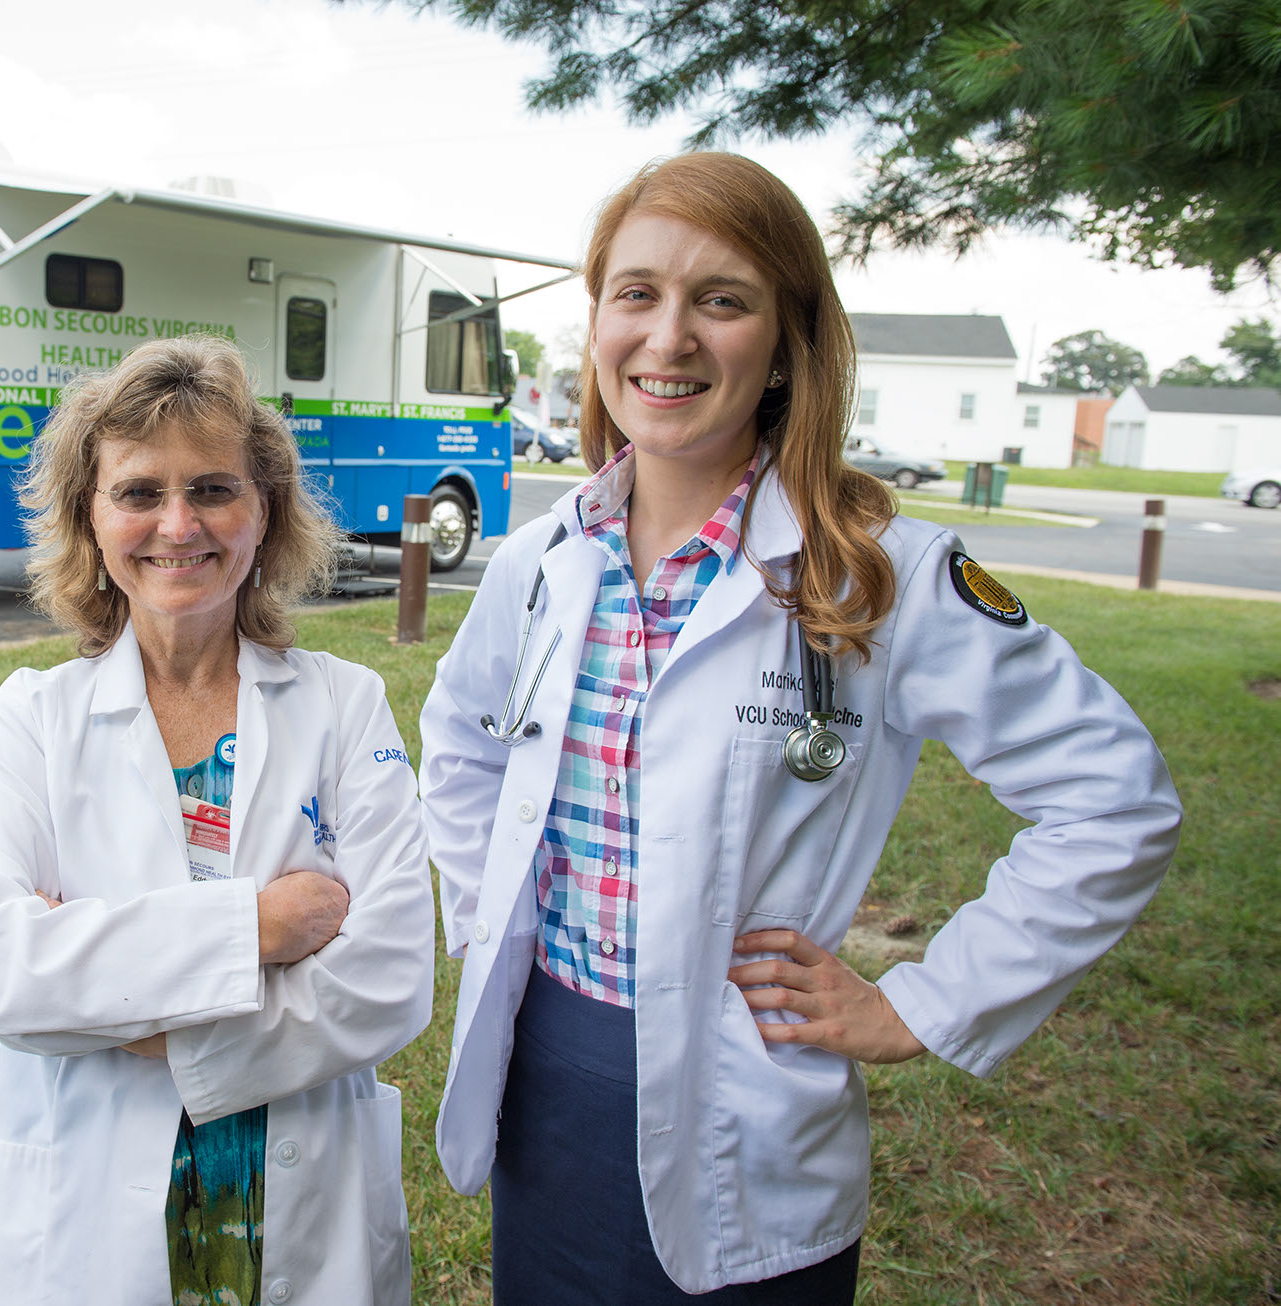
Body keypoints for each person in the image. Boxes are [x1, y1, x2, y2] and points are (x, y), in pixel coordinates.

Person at [418, 153, 1181, 1302]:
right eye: (635, 294)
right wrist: (488, 924)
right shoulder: (540, 560)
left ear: (785, 342)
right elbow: (464, 745)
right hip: (546, 1083)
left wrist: (919, 1004)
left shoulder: (882, 575)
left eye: (719, 300)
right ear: (596, 325)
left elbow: (1114, 802)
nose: (666, 337)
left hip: (745, 1114)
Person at [0, 335, 434, 1306]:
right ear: (90, 515)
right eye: (138, 492)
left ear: (264, 512)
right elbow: (4, 968)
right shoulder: (31, 719)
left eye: (213, 488)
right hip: (82, 1222)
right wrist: (257, 928)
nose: (178, 525)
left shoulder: (344, 705)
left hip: (297, 1201)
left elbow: (388, 978)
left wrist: (141, 1024)